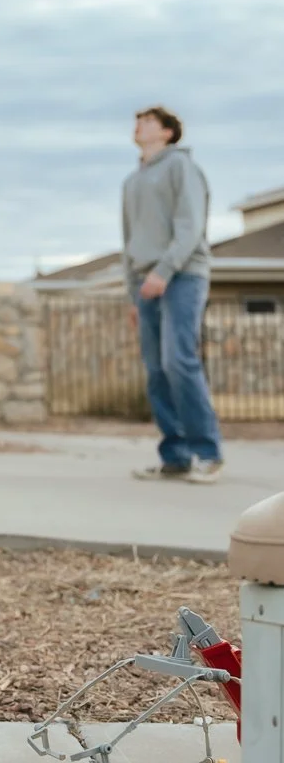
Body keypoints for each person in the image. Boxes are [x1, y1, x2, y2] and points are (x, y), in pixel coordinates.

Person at [123, 106, 223, 482]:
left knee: (179, 361)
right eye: (137, 121)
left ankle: (208, 453)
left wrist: (164, 272)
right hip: (145, 283)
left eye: (148, 121)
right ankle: (176, 456)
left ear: (167, 132)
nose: (138, 125)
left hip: (182, 275)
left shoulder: (181, 167)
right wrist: (133, 294)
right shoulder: (132, 181)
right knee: (156, 371)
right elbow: (129, 241)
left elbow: (190, 226)